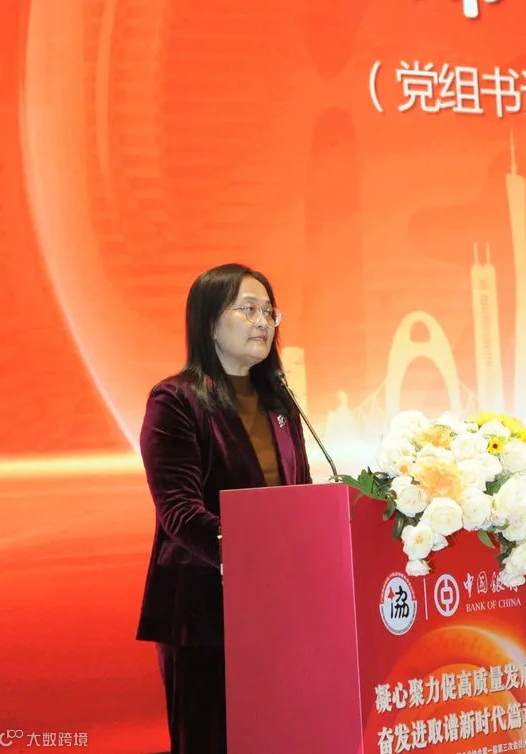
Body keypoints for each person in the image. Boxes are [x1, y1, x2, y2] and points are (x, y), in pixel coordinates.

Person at [136, 263, 312, 753]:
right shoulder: (177, 401)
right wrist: (259, 556)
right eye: (248, 309)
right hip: (205, 614)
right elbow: (178, 511)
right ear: (210, 323)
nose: (263, 322)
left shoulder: (280, 403)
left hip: (280, 608)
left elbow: (301, 497)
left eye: (269, 312)